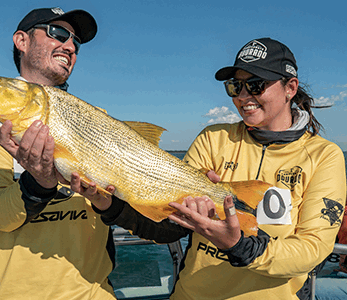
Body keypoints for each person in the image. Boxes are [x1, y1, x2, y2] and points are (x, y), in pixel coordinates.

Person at [70, 37, 346, 299]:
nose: (243, 96)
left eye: (256, 84)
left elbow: (313, 249)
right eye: (235, 87)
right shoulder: (214, 139)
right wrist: (110, 207)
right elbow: (168, 228)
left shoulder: (324, 156)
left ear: (291, 88)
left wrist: (239, 246)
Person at [0, 7, 117, 300]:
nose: (70, 46)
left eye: (76, 42)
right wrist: (39, 183)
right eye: (58, 33)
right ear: (21, 41)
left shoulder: (99, 118)